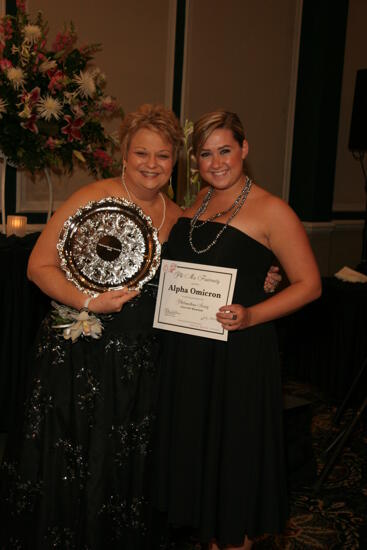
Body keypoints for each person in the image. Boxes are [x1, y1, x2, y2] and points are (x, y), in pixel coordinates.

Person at [0, 104, 279, 550]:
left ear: (176, 162)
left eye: (163, 156)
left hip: (146, 360)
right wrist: (90, 301)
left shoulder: (183, 214)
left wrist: (262, 275)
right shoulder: (93, 196)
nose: (152, 165)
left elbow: (215, 265)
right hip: (82, 357)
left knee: (126, 468)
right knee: (81, 463)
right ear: (124, 154)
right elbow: (38, 266)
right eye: (141, 154)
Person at [152, 110, 321, 550]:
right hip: (191, 356)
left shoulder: (272, 209)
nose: (216, 162)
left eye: (225, 150)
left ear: (244, 149)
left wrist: (252, 314)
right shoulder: (197, 203)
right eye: (205, 154)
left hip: (239, 357)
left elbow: (310, 285)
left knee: (232, 477)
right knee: (204, 472)